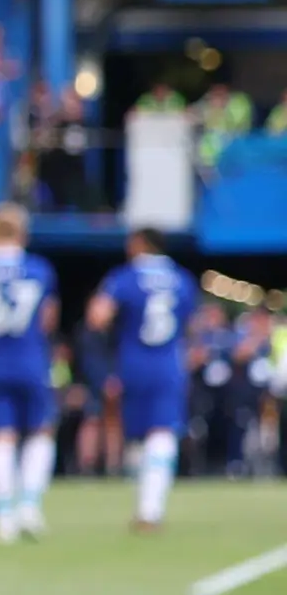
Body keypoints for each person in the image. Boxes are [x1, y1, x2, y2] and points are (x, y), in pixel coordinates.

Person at [87, 227, 195, 535]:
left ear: (139, 244)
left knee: (137, 434)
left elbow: (98, 317)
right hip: (169, 363)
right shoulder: (182, 279)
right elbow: (190, 325)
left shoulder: (124, 276)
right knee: (162, 432)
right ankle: (151, 508)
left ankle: (145, 505)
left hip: (133, 362)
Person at [0, 204, 59, 544]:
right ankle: (29, 506)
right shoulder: (38, 269)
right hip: (30, 359)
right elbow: (48, 317)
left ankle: (3, 515)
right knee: (41, 431)